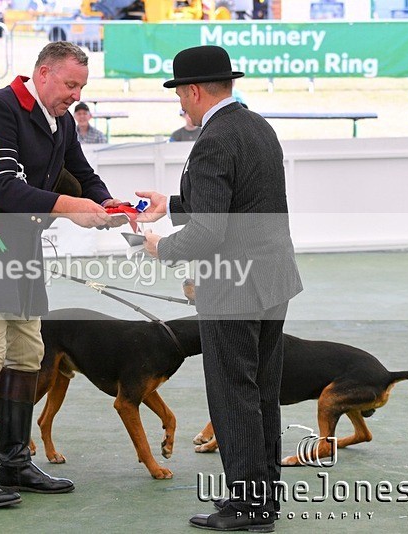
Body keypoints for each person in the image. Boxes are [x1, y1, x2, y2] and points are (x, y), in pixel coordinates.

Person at [0, 41, 125, 509]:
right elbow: (1, 186)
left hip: (22, 253)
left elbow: (82, 173)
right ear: (43, 73)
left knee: (28, 352)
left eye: (81, 87)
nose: (75, 95)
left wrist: (109, 204)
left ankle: (13, 460)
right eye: (70, 84)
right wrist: (75, 208)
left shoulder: (62, 121)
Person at [135, 45, 302, 532]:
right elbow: (238, 202)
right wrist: (171, 202)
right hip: (273, 280)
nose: (180, 107)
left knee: (233, 394)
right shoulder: (257, 127)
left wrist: (159, 247)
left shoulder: (211, 140)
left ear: (192, 90)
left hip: (233, 287)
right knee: (261, 391)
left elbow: (210, 232)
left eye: (180, 96)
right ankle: (263, 498)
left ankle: (247, 508)